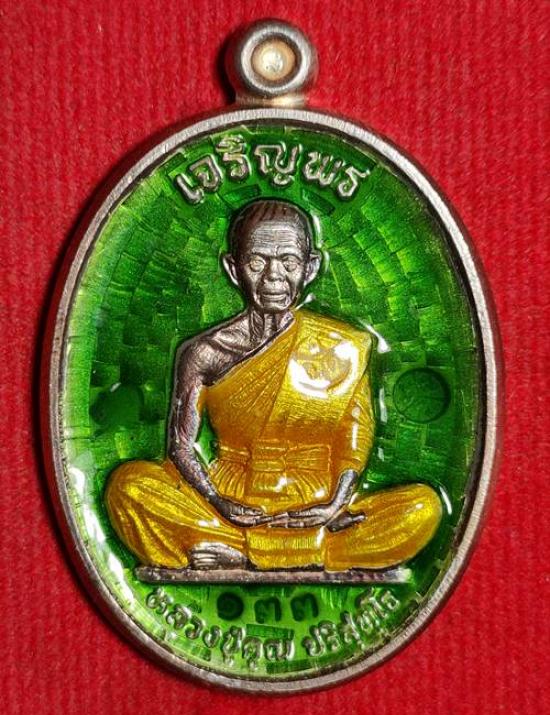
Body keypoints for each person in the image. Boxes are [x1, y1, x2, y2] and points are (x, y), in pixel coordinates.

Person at [106, 199, 442, 572]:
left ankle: (247, 554)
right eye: (257, 262)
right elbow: (181, 446)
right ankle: (304, 553)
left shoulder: (342, 346)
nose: (274, 277)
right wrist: (217, 501)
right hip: (233, 502)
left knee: (422, 508)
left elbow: (354, 437)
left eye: (289, 262)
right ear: (233, 268)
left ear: (310, 268)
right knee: (128, 486)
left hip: (315, 504)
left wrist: (336, 504)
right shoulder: (204, 353)